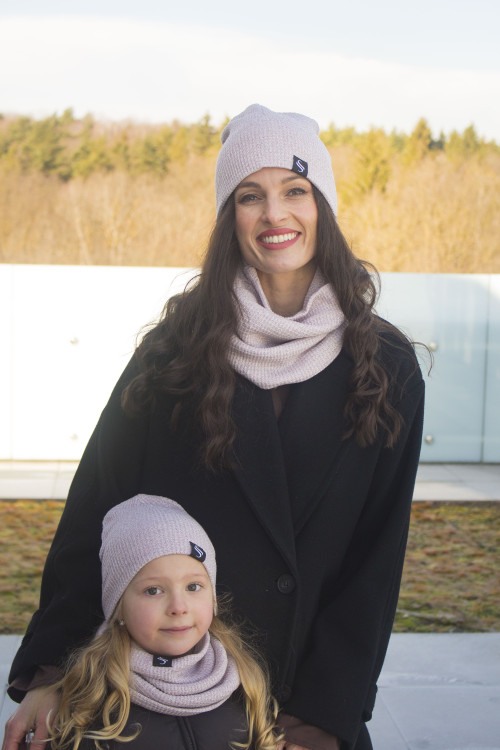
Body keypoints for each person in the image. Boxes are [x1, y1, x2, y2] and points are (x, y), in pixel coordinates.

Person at [3, 104, 425, 750]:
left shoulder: (386, 365)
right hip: (168, 704)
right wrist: (54, 669)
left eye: (295, 190)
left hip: (303, 707)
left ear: (323, 206)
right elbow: (97, 508)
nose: (275, 214)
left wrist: (324, 717)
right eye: (250, 196)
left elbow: (377, 558)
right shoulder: (175, 352)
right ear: (231, 216)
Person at [47, 494, 282, 750]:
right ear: (118, 607)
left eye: (193, 586)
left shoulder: (246, 684)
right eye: (153, 591)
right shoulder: (89, 699)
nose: (178, 607)